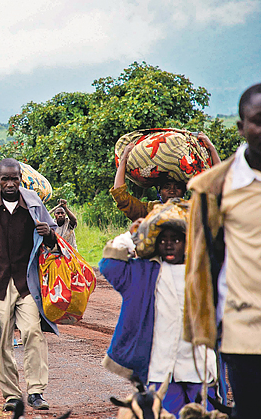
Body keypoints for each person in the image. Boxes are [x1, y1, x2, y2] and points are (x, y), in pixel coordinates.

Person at [184, 83, 261, 419]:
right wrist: (204, 323)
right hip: (243, 327)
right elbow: (202, 260)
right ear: (241, 127)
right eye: (258, 119)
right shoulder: (214, 188)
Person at [99, 211, 218, 417]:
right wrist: (129, 236)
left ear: (187, 242)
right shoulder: (144, 272)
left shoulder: (203, 272)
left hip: (200, 364)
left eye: (176, 240)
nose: (169, 245)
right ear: (155, 244)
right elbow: (110, 266)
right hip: (161, 367)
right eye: (162, 240)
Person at [0, 158, 58, 412]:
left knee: (33, 332)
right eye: (4, 179)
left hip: (26, 281)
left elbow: (53, 236)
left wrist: (48, 233)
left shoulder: (32, 201)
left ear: (21, 179)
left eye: (14, 179)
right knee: (4, 339)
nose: (9, 184)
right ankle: (11, 395)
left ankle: (36, 391)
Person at [111, 132, 220, 221]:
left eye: (177, 188)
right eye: (167, 187)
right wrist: (124, 158)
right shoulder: (148, 211)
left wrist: (211, 148)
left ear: (184, 191)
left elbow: (220, 190)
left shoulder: (193, 210)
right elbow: (121, 197)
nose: (172, 191)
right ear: (159, 191)